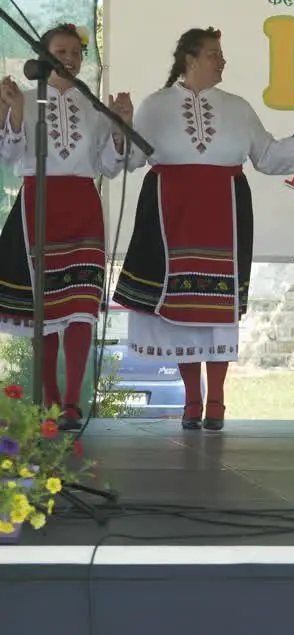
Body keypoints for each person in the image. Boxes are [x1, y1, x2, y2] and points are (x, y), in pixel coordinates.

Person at [112, 27, 294, 431]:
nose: (221, 61)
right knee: (182, 308)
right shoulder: (156, 106)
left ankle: (219, 401)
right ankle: (192, 400)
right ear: (190, 59)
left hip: (225, 211)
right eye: (213, 54)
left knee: (217, 305)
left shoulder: (238, 107)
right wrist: (122, 124)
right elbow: (132, 158)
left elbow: (268, 156)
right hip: (171, 211)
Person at [0, 24, 141, 430]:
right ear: (44, 55)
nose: (70, 58)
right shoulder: (25, 99)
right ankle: (51, 401)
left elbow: (112, 166)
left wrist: (119, 128)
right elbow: (9, 157)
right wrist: (12, 112)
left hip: (83, 206)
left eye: (77, 52)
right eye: (61, 51)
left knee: (81, 308)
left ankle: (74, 402)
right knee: (46, 311)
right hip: (38, 205)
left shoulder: (95, 106)